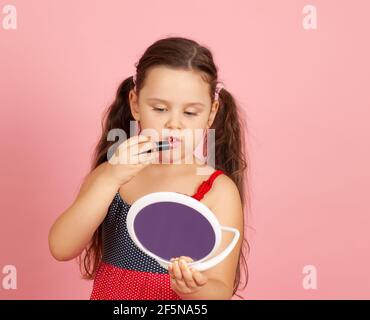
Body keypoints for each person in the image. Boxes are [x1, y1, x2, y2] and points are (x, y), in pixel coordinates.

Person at [49, 37, 250, 300]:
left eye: (190, 113)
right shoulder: (113, 175)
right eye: (159, 108)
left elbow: (219, 289)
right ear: (135, 104)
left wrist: (194, 289)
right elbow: (61, 247)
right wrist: (110, 178)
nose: (173, 124)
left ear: (211, 114)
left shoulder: (216, 190)